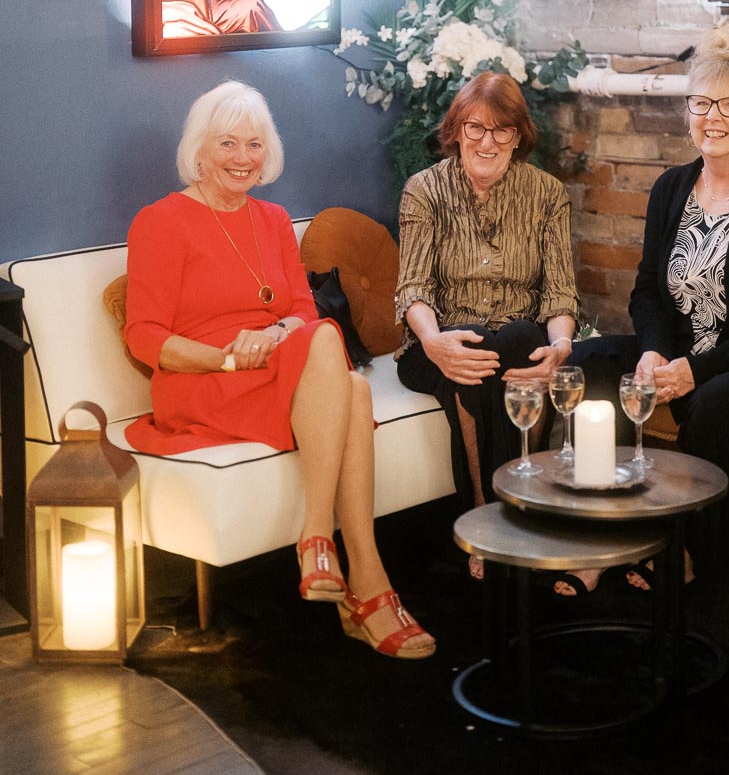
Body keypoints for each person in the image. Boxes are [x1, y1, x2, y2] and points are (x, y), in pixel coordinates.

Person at [124, 80, 434, 660]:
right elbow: (145, 338)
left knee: (345, 378)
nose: (243, 158)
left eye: (254, 144)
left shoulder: (270, 219)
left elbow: (298, 309)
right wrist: (229, 356)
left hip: (275, 367)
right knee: (345, 379)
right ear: (199, 150)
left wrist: (273, 337)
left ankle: (345, 565)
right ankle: (351, 570)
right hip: (202, 381)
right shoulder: (161, 221)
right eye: (228, 144)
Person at [567, 21, 729, 593]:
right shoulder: (670, 188)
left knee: (720, 397)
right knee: (589, 365)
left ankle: (681, 547)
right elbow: (646, 290)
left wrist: (696, 370)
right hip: (686, 353)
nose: (713, 117)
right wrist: (657, 351)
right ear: (686, 112)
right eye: (701, 102)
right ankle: (604, 531)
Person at [394, 72, 579, 573]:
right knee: (470, 352)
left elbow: (560, 292)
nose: (487, 142)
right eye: (475, 128)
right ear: (456, 131)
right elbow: (413, 288)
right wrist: (433, 340)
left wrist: (560, 347)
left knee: (520, 340)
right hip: (437, 341)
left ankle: (521, 510)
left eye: (501, 131)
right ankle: (488, 516)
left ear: (518, 137)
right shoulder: (424, 191)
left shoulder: (546, 194)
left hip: (516, 339)